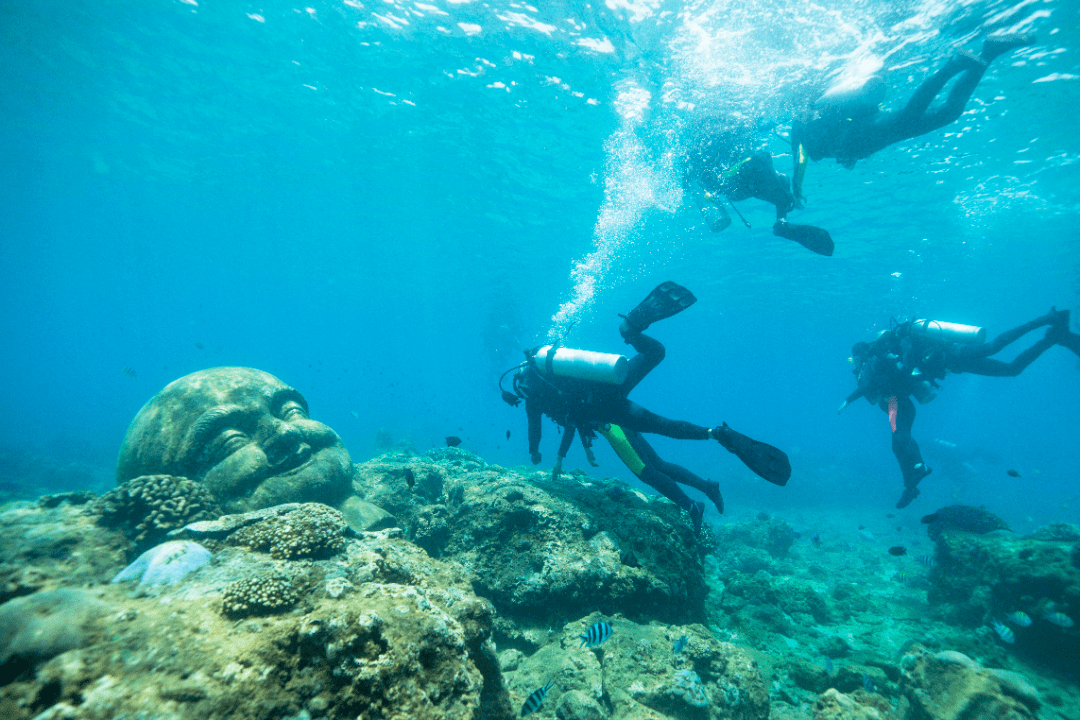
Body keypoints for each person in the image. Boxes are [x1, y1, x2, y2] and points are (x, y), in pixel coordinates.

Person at [501, 282, 791, 532]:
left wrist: (539, 453)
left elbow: (549, 424)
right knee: (656, 359)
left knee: (648, 467)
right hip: (611, 386)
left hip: (608, 415)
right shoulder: (552, 376)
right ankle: (631, 332)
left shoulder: (535, 398)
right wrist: (576, 448)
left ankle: (693, 506)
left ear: (521, 386)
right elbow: (571, 415)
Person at [841, 308, 1068, 509]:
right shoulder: (884, 362)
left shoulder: (881, 358)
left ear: (860, 356)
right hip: (951, 363)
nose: (855, 365)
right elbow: (897, 384)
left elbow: (891, 376)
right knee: (1011, 369)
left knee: (992, 348)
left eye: (855, 360)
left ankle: (1046, 319)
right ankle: (1051, 337)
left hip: (951, 355)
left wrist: (849, 399)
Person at [791, 34, 1035, 203]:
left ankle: (954, 64)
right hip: (865, 139)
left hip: (863, 132)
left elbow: (801, 157)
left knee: (909, 117)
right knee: (948, 114)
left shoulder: (802, 124)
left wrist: (797, 184)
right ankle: (988, 53)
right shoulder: (809, 118)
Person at [685, 116, 835, 257]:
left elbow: (693, 180)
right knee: (774, 171)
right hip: (746, 178)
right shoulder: (729, 133)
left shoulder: (698, 150)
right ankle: (782, 218)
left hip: (737, 190)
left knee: (779, 177)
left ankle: (782, 222)